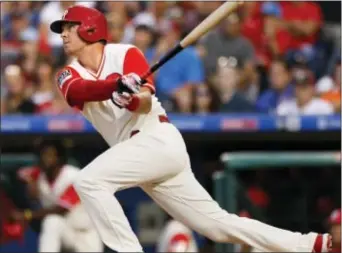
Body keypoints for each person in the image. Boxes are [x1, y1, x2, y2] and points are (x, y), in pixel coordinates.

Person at [50, 5, 332, 252]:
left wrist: (132, 97)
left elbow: (146, 103)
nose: (63, 35)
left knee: (89, 181)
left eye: (69, 28)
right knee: (217, 226)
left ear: (89, 29)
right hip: (137, 155)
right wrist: (115, 87)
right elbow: (80, 90)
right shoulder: (67, 73)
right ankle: (309, 245)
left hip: (155, 140)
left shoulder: (126, 53)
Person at [14, 139, 103, 252]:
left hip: (86, 234)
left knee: (53, 218)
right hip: (65, 231)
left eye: (50, 155)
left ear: (59, 158)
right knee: (52, 221)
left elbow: (62, 209)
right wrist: (32, 179)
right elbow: (23, 177)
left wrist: (27, 215)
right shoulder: (40, 175)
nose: (45, 159)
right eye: (43, 155)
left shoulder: (74, 175)